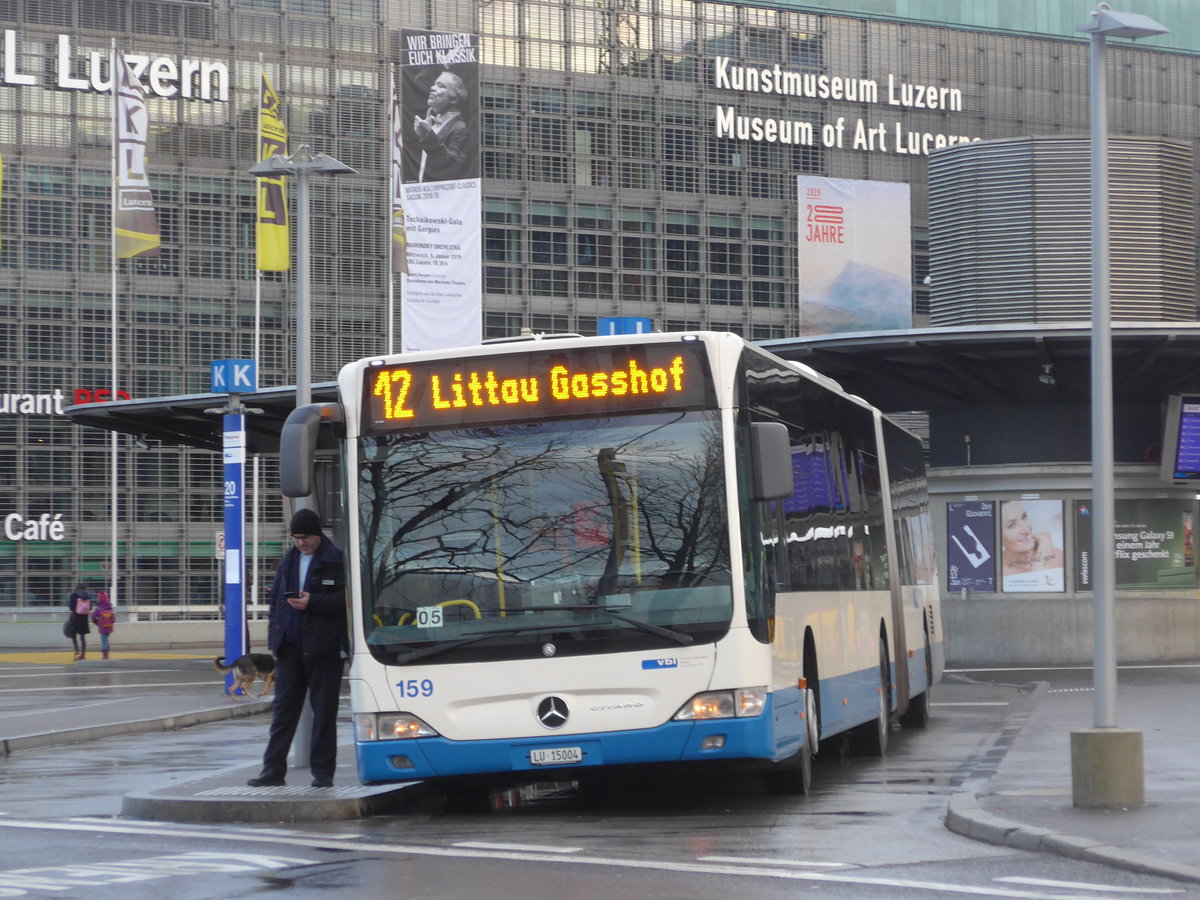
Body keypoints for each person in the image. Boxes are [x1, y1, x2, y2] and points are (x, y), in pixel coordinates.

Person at [247, 508, 347, 789]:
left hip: (324, 650)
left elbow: (346, 602)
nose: (300, 542)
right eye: (296, 537)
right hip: (290, 648)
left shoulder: (335, 560)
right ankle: (273, 770)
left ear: (317, 535)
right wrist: (274, 644)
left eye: (305, 537)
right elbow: (277, 605)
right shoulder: (288, 559)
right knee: (282, 712)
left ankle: (323, 773)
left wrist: (312, 601)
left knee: (324, 714)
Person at [412, 70, 471, 183]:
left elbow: (451, 166)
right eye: (434, 84)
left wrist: (428, 135)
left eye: (441, 86)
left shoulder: (460, 128)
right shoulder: (433, 122)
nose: (432, 88)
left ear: (453, 99)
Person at [1000, 500, 1064, 590]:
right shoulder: (997, 572)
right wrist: (1046, 542)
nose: (1026, 529)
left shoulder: (1059, 556)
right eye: (1012, 525)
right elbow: (1039, 586)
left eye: (1024, 517)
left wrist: (1044, 545)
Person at [68, 583, 92, 660]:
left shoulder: (74, 595)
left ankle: (76, 652)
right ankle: (83, 654)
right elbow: (90, 607)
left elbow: (71, 607)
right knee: (82, 637)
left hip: (75, 618)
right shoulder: (88, 596)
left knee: (74, 636)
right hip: (84, 618)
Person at [90, 589, 116, 660]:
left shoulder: (99, 608)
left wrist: (97, 622)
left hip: (102, 626)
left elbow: (93, 616)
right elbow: (113, 618)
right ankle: (107, 650)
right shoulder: (110, 606)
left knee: (104, 640)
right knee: (106, 639)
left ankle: (105, 654)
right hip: (109, 626)